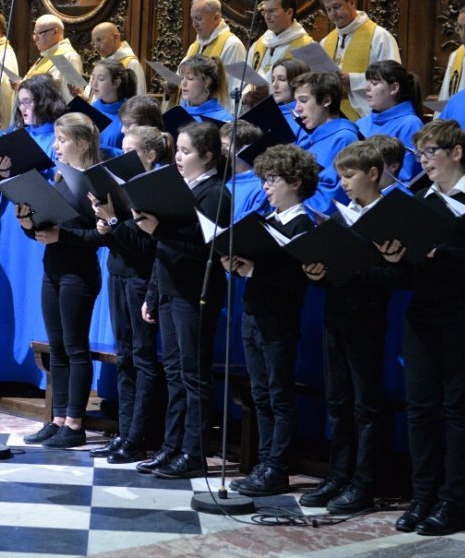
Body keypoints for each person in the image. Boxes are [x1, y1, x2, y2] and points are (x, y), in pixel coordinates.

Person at [375, 121, 465, 537]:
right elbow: (412, 271)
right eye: (421, 154)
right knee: (420, 409)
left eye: (431, 153)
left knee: (458, 412)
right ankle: (422, 495)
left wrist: (437, 251)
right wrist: (396, 257)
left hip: (464, 316)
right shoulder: (419, 200)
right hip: (423, 315)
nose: (424, 161)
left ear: (457, 153)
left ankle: (453, 502)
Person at [298, 141, 393, 514]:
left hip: (367, 316)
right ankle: (339, 474)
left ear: (373, 174)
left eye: (350, 175)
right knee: (337, 401)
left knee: (366, 405)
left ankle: (364, 480)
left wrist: (357, 269)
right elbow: (327, 258)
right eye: (339, 176)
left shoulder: (388, 215)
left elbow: (399, 273)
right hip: (336, 314)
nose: (344, 183)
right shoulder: (342, 215)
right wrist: (316, 271)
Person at [134, 122, 231, 479]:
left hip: (196, 294)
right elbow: (164, 251)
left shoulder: (215, 194)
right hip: (171, 292)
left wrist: (158, 229)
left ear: (207, 156)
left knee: (194, 376)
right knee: (174, 373)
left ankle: (194, 452)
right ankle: (172, 446)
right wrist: (153, 293)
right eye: (178, 149)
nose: (178, 156)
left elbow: (205, 250)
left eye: (187, 151)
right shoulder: (180, 190)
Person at [220, 144, 317, 497]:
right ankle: (264, 463)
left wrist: (254, 269)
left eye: (272, 180)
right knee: (260, 394)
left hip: (279, 319)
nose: (265, 187)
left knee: (279, 395)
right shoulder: (268, 221)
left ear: (294, 181)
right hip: (254, 314)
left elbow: (295, 277)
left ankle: (277, 468)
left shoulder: (303, 223)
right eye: (263, 180)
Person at [17, 113, 104, 448]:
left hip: (79, 273)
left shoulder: (93, 182)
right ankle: (56, 419)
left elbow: (100, 236)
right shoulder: (59, 178)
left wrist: (61, 236)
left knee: (75, 347)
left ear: (81, 143)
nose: (55, 146)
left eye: (62, 140)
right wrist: (28, 224)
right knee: (56, 349)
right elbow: (45, 233)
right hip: (52, 270)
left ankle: (74, 422)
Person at [91, 125, 167, 463]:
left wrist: (114, 222)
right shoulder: (122, 188)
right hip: (118, 275)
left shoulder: (154, 190)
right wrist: (106, 227)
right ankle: (124, 431)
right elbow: (121, 243)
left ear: (149, 155)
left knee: (142, 357)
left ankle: (140, 435)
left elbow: (146, 248)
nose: (123, 157)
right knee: (125, 357)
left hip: (140, 280)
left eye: (130, 151)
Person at [316, 0, 401, 120]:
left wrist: (351, 79)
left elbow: (394, 79)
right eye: (328, 10)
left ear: (351, 2)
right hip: (331, 117)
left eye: (336, 7)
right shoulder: (326, 41)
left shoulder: (379, 36)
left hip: (367, 117)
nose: (332, 15)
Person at [293, 71, 361, 213]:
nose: (297, 109)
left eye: (303, 100)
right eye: (296, 101)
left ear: (326, 100)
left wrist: (289, 203)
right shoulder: (307, 137)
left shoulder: (344, 139)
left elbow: (333, 197)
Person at [163, 0, 246, 102]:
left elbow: (232, 89)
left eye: (199, 18)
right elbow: (181, 77)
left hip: (213, 114)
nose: (194, 24)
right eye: (193, 19)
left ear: (216, 18)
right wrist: (171, 84)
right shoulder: (195, 46)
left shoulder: (232, 45)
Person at [355, 60, 424, 181]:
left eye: (374, 83)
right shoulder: (361, 123)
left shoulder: (410, 124)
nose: (367, 88)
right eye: (368, 82)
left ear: (394, 88)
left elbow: (407, 176)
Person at [243, 0, 314, 107]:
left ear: (289, 12)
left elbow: (310, 87)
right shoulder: (259, 43)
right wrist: (246, 95)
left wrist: (270, 92)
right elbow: (247, 79)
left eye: (272, 11)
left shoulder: (306, 46)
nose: (267, 16)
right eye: (264, 11)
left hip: (288, 114)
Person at [23, 14, 83, 100]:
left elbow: (73, 99)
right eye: (34, 34)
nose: (35, 38)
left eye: (39, 33)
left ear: (54, 32)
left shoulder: (67, 57)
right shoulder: (47, 54)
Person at [220, 119, 269, 219]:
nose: (220, 152)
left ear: (245, 149)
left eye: (225, 147)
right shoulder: (223, 179)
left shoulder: (262, 188)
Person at [88, 58, 136, 151]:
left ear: (116, 83)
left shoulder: (131, 113)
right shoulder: (92, 108)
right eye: (93, 78)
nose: (94, 84)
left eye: (101, 79)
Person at [91, 21, 146, 95]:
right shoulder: (101, 63)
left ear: (116, 37)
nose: (96, 46)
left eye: (99, 40)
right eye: (93, 42)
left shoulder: (131, 63)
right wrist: (83, 96)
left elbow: (138, 98)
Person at [178, 55, 234, 122]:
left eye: (190, 78)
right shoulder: (177, 114)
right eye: (182, 78)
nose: (183, 83)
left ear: (206, 82)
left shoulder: (222, 119)